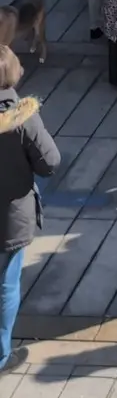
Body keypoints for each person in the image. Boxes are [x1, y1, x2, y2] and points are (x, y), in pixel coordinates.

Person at [0, 45, 60, 374]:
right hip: (9, 217)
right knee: (6, 285)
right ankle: (0, 356)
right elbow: (50, 162)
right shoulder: (21, 115)